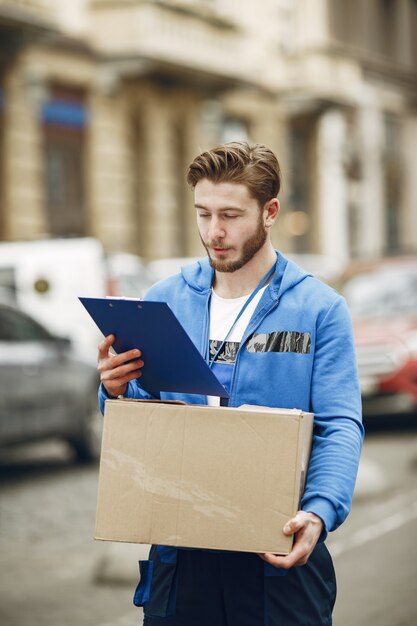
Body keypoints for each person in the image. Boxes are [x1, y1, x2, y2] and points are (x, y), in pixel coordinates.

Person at [97, 141, 364, 625]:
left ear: (270, 212)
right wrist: (116, 391)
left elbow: (339, 425)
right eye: (202, 214)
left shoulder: (319, 309)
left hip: (278, 553)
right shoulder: (166, 300)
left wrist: (320, 512)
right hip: (180, 557)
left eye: (231, 215)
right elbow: (142, 417)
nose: (214, 233)